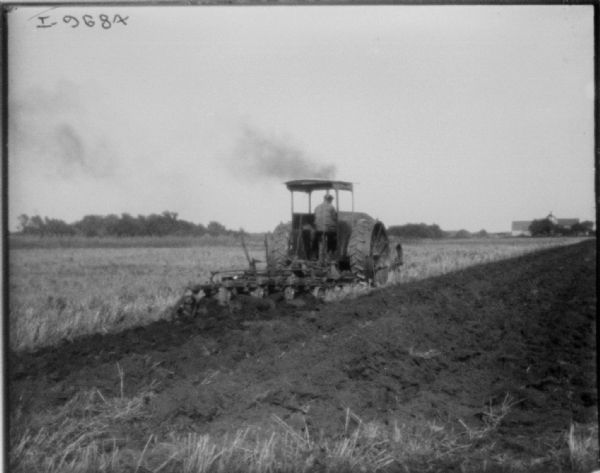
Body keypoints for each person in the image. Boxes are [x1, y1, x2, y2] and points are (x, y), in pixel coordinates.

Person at [313, 194, 337, 258]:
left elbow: (315, 217)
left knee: (316, 238)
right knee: (335, 237)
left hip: (318, 229)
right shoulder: (331, 207)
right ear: (330, 200)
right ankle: (331, 252)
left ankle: (315, 254)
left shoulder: (317, 207)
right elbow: (334, 218)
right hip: (328, 229)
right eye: (331, 200)